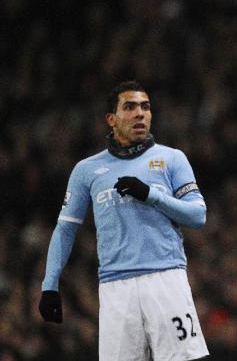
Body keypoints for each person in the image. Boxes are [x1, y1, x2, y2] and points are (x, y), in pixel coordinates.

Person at [39, 81, 209, 360]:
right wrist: (49, 285)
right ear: (111, 119)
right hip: (115, 288)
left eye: (145, 106)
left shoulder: (172, 159)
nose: (140, 113)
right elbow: (65, 228)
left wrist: (151, 195)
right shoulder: (87, 170)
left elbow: (197, 215)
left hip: (165, 278)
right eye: (129, 107)